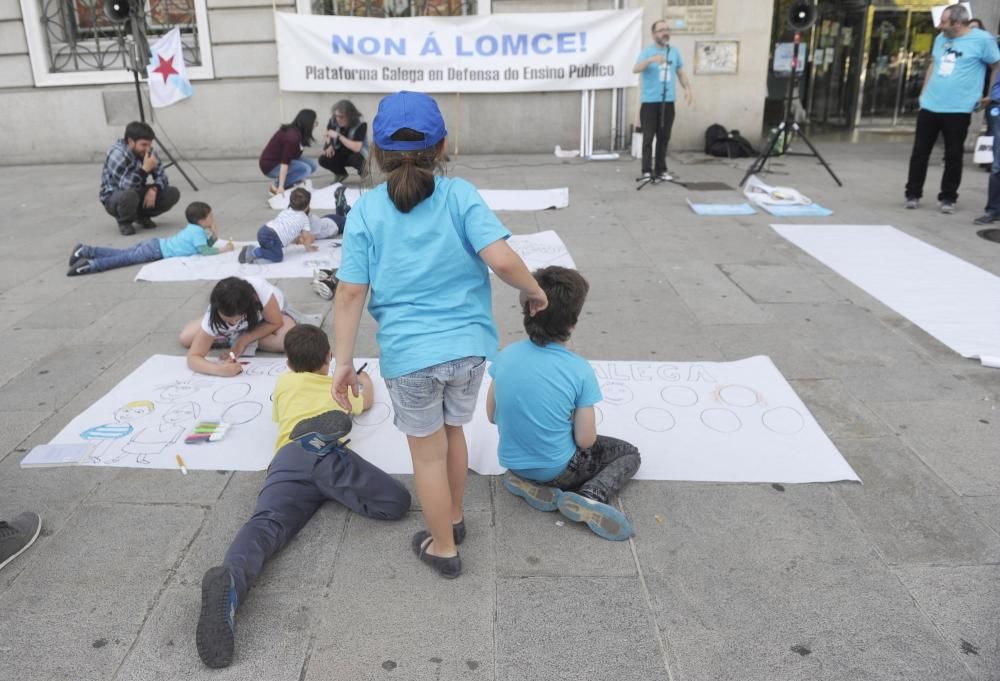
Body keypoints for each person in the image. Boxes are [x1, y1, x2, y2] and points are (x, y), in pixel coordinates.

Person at [331, 91, 547, 579]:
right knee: (454, 435)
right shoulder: (461, 195)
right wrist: (533, 291)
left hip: (410, 358)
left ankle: (443, 548)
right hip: (468, 351)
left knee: (425, 455)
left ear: (375, 151)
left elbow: (348, 295)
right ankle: (452, 516)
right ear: (444, 144)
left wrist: (343, 361)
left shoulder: (366, 212)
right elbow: (503, 260)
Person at [195, 324, 410, 668]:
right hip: (326, 458)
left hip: (287, 460)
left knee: (266, 525)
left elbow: (279, 415)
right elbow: (365, 399)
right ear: (329, 359)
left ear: (289, 363)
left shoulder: (284, 383)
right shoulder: (337, 387)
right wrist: (362, 380)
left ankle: (232, 583)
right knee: (396, 503)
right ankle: (322, 447)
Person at [487, 266, 639, 541]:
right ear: (572, 323)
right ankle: (591, 495)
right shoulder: (579, 370)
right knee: (629, 453)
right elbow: (585, 440)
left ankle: (524, 481)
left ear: (527, 311)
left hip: (512, 460)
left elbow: (491, 414)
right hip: (558, 469)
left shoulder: (505, 355)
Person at [904, 4, 1000, 213]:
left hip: (958, 107)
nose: (939, 26)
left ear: (958, 23)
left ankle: (948, 197)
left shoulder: (983, 40)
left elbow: (996, 64)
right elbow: (933, 63)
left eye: (944, 22)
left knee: (953, 155)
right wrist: (923, 92)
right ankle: (912, 193)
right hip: (931, 104)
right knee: (920, 153)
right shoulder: (941, 39)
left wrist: (990, 95)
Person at [67, 201, 234, 276]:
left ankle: (86, 250)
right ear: (202, 220)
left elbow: (205, 244)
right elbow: (204, 250)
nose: (213, 219)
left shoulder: (194, 229)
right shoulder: (197, 232)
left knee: (122, 252)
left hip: (154, 243)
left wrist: (214, 235)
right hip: (155, 251)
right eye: (211, 216)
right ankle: (91, 266)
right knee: (125, 258)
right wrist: (223, 249)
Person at [180, 276, 296, 376]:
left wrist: (243, 341)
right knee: (186, 338)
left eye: (238, 318)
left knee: (287, 340)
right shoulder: (215, 310)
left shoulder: (260, 291)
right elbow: (193, 357)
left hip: (267, 318)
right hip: (238, 326)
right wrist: (219, 370)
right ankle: (228, 335)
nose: (234, 323)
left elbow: (275, 322)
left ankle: (232, 337)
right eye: (227, 320)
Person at [633, 20, 693, 182]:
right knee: (648, 138)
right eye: (661, 30)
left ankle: (661, 169)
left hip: (668, 102)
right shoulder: (647, 52)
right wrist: (650, 60)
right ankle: (646, 170)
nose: (665, 32)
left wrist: (687, 88)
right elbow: (635, 69)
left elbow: (680, 72)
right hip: (650, 101)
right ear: (654, 34)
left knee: (664, 137)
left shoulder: (674, 52)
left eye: (667, 29)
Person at [99, 121, 181, 236]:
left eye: (150, 144)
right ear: (130, 141)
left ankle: (141, 216)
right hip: (114, 197)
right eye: (144, 145)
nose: (148, 149)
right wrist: (144, 170)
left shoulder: (148, 152)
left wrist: (154, 189)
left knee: (172, 193)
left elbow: (162, 177)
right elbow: (126, 186)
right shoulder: (117, 153)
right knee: (130, 195)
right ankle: (124, 222)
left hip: (136, 191)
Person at [238, 187, 316, 264]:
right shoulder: (304, 219)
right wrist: (309, 249)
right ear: (307, 206)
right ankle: (255, 252)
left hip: (264, 230)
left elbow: (285, 228)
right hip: (272, 236)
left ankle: (251, 249)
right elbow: (306, 238)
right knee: (277, 257)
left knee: (271, 248)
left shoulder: (287, 210)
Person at [259, 109, 319, 196]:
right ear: (308, 123)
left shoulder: (298, 132)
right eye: (315, 122)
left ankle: (292, 183)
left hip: (281, 160)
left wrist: (298, 177)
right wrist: (281, 186)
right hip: (271, 165)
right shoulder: (292, 137)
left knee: (312, 165)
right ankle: (275, 187)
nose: (315, 125)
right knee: (305, 169)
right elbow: (284, 163)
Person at [318, 100, 369, 183]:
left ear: (350, 116)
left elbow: (357, 148)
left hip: (357, 154)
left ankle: (365, 174)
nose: (338, 119)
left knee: (356, 159)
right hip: (340, 152)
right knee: (323, 159)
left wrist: (339, 136)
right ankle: (340, 174)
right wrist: (329, 145)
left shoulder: (361, 124)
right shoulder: (333, 120)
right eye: (336, 116)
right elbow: (328, 134)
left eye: (341, 117)